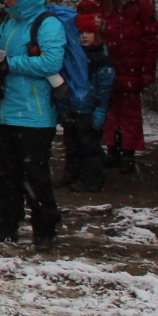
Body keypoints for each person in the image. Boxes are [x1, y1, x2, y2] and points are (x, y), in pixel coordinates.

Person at [0, 0, 64, 246]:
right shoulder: (10, 22)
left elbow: (51, 62)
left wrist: (10, 65)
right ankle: (6, 224)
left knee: (35, 175)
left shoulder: (47, 24)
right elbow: (1, 48)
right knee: (4, 173)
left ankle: (45, 229)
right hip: (6, 111)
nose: (6, 1)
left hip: (34, 115)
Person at [90, 0, 158, 173]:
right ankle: (112, 149)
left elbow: (151, 38)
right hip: (108, 64)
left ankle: (128, 152)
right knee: (109, 109)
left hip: (132, 65)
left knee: (130, 112)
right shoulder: (102, 4)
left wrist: (147, 70)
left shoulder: (142, 4)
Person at [59, 14, 115, 192]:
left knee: (89, 146)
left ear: (95, 33)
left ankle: (91, 179)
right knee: (72, 144)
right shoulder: (74, 56)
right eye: (81, 32)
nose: (84, 36)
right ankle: (72, 174)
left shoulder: (100, 58)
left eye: (88, 32)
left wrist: (101, 108)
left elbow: (105, 86)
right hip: (74, 106)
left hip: (90, 108)